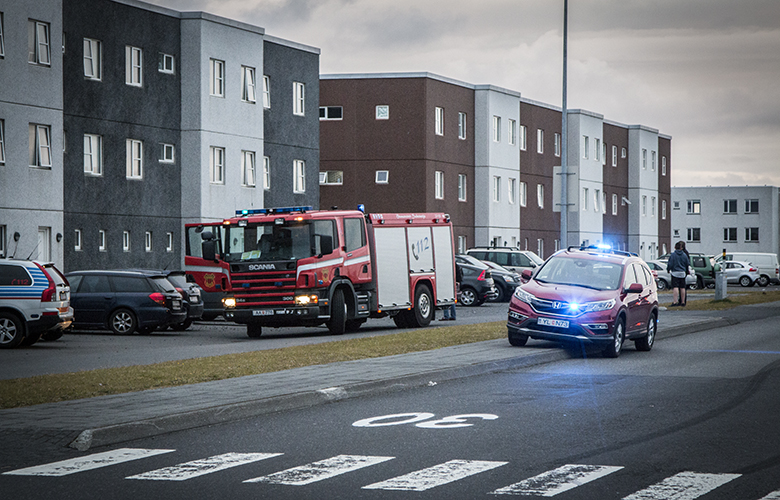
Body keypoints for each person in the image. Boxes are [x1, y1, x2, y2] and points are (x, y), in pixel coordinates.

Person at [667, 241, 691, 307]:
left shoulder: (673, 255)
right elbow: (687, 263)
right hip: (682, 273)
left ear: (675, 247)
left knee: (675, 287)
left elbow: (670, 264)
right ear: (681, 248)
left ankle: (675, 301)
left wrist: (668, 269)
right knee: (682, 287)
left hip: (675, 272)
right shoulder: (684, 255)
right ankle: (683, 302)